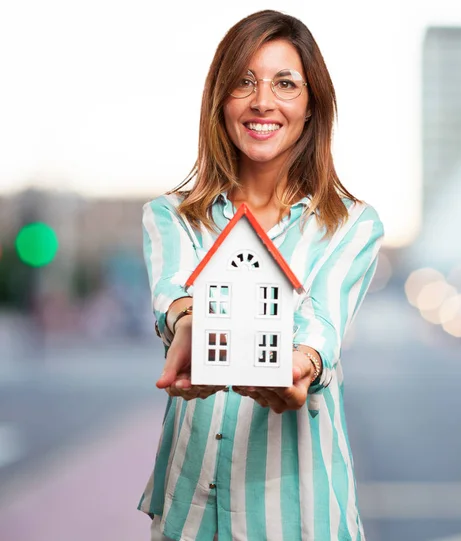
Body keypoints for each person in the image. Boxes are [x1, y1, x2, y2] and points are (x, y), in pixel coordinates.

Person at [139, 9, 384, 541]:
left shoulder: (352, 226)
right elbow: (174, 293)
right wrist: (187, 324)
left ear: (311, 104)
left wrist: (302, 363)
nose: (262, 101)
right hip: (190, 514)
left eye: (285, 83)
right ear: (219, 100)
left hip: (303, 516)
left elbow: (322, 319)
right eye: (244, 81)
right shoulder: (170, 216)